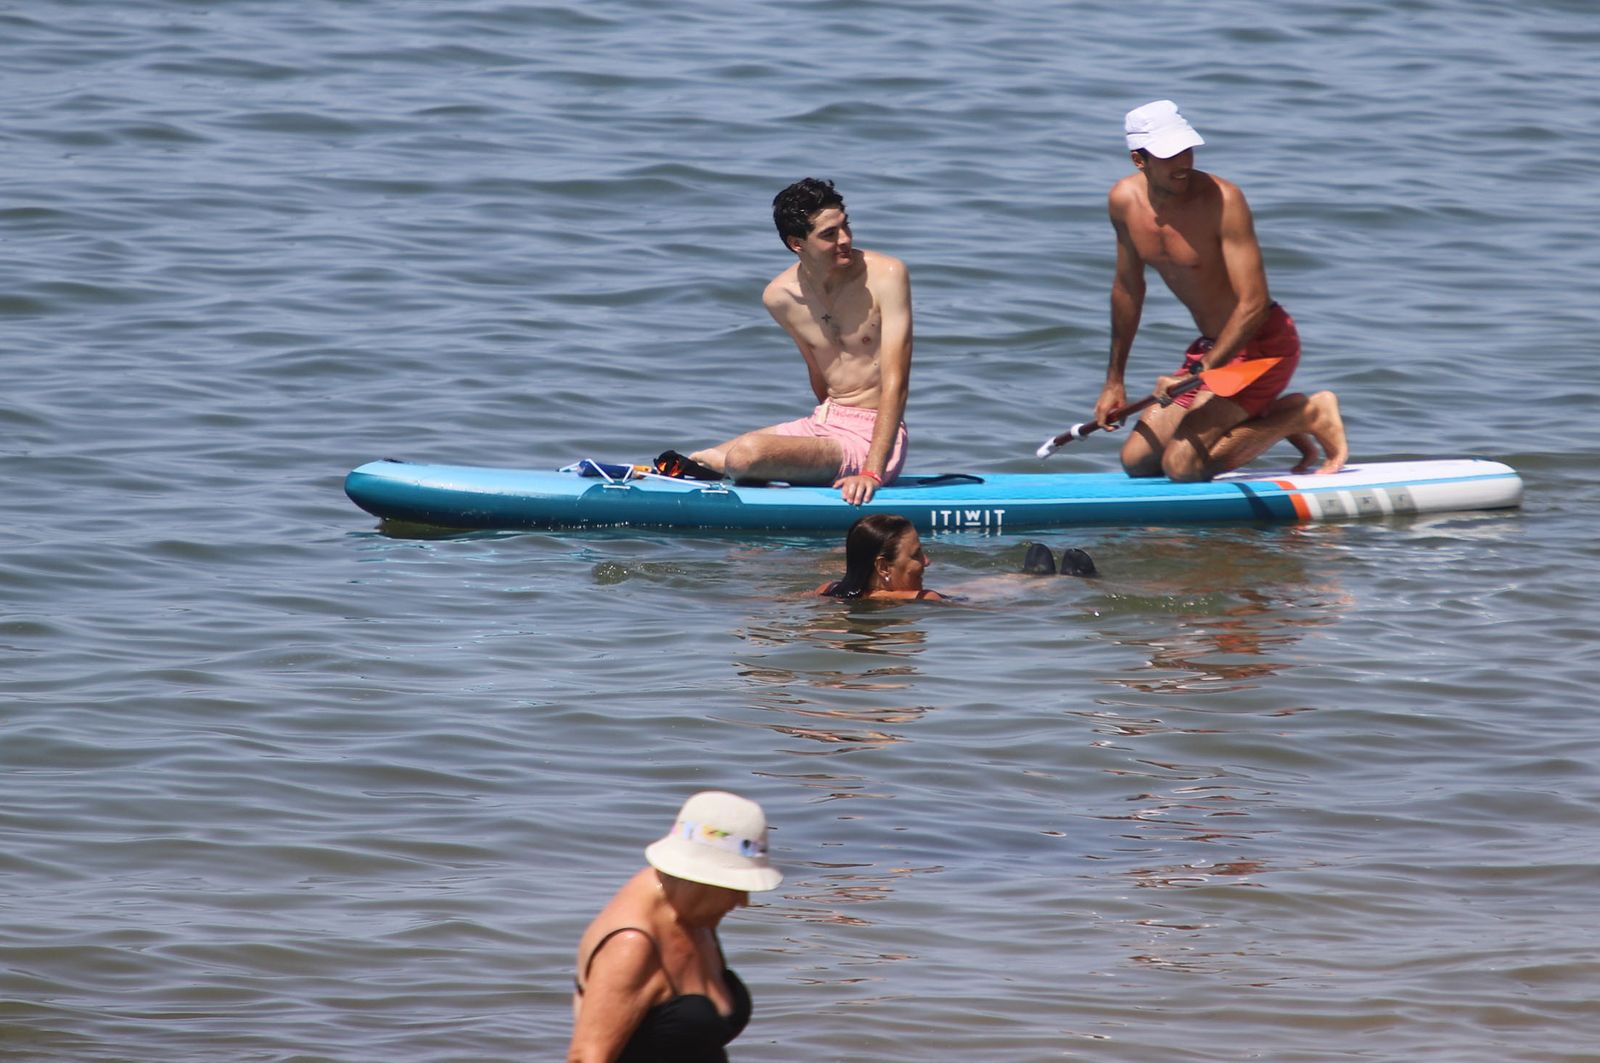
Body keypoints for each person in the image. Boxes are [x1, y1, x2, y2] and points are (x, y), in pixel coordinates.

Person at [1094, 99, 1348, 482]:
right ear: (1138, 160)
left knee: (1182, 468)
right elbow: (1128, 289)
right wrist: (1115, 381)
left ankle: (1304, 414)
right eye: (1168, 155)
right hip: (1213, 349)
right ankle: (1269, 411)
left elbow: (1255, 303)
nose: (1182, 163)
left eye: (1186, 149)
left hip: (1263, 347)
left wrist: (1201, 372)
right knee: (1137, 462)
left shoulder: (1224, 200)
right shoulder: (1123, 202)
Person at [671, 178, 912, 505]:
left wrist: (871, 472)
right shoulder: (779, 296)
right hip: (824, 423)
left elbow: (896, 381)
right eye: (829, 234)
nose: (845, 239)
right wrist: (811, 447)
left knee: (745, 456)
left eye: (845, 226)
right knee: (699, 458)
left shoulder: (887, 274)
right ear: (797, 244)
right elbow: (820, 378)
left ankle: (742, 474)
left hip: (873, 436)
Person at [568, 791, 783, 1063]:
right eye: (737, 887)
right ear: (703, 877)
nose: (743, 901)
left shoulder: (693, 914)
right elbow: (586, 1058)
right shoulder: (632, 945)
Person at [816, 514, 943, 600]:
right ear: (883, 567)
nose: (926, 561)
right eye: (916, 554)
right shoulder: (925, 598)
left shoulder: (828, 590)